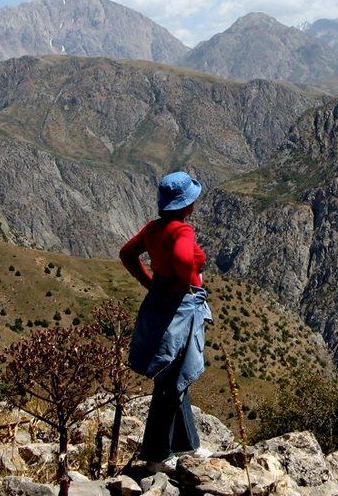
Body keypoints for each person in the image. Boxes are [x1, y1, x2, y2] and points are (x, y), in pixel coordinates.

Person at [121, 171, 212, 472]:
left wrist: (149, 282)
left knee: (173, 375)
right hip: (180, 307)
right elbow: (185, 260)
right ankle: (157, 454)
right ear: (186, 205)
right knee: (172, 380)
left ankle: (187, 445)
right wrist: (187, 282)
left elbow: (127, 253)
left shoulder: (154, 228)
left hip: (158, 301)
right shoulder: (181, 231)